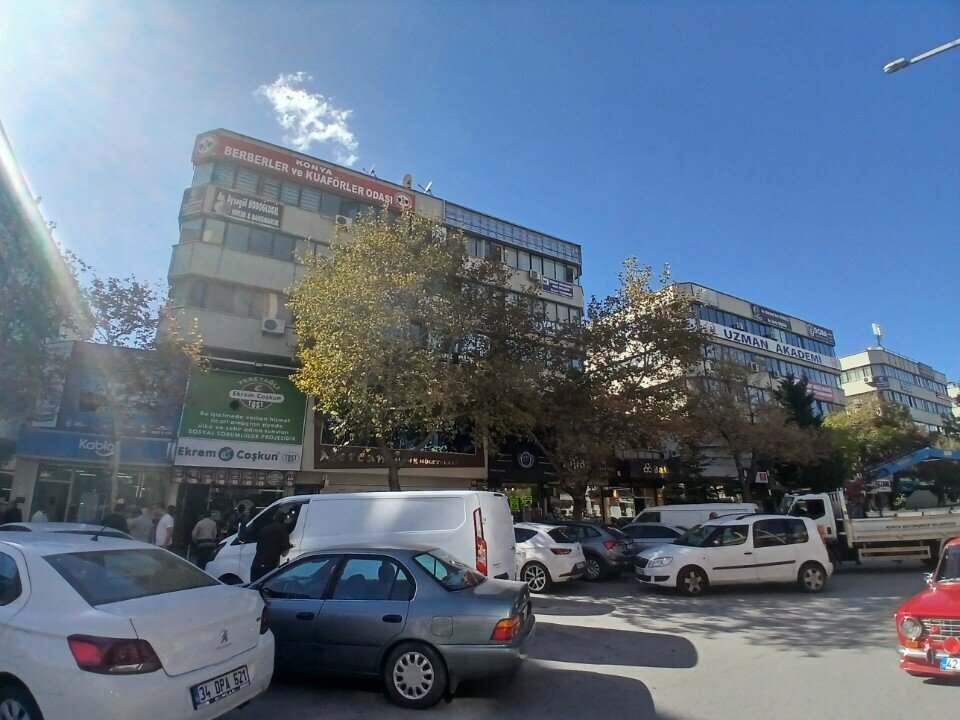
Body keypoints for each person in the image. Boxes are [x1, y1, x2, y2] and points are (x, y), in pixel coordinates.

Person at [250, 510, 292, 582]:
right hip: (269, 565)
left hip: (256, 563)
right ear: (284, 520)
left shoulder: (265, 529)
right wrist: (289, 546)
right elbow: (285, 546)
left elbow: (258, 547)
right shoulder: (282, 528)